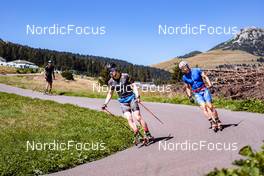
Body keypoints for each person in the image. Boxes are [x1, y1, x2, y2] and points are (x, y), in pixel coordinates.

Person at [102, 65, 153, 144]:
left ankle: (147, 133)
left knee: (137, 117)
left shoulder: (125, 76)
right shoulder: (111, 82)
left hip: (132, 98)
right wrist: (105, 103)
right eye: (111, 74)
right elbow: (110, 93)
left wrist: (137, 95)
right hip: (123, 102)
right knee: (129, 118)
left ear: (117, 71)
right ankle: (137, 133)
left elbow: (134, 86)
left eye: (113, 73)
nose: (112, 76)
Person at [179, 61, 222, 132]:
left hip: (204, 90)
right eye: (182, 69)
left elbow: (205, 77)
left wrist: (210, 86)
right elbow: (187, 87)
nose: (184, 69)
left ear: (187, 65)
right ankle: (212, 122)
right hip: (196, 93)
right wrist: (190, 96)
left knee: (210, 106)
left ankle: (217, 120)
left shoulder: (197, 70)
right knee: (203, 107)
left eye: (184, 67)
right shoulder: (184, 77)